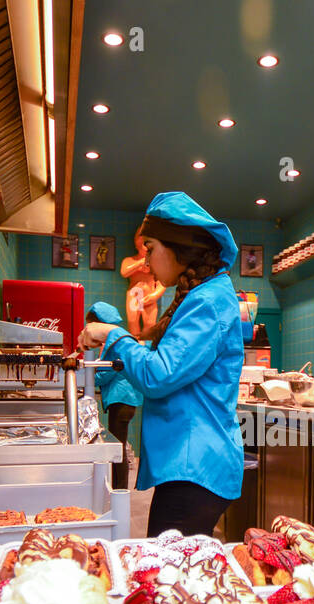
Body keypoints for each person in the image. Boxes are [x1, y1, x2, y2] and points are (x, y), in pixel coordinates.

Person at [78, 192, 243, 537]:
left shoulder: (207, 302)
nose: (147, 261)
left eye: (150, 248)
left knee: (167, 580)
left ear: (177, 246)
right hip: (187, 465)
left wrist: (113, 334)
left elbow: (159, 374)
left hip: (195, 467)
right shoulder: (199, 297)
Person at [85, 301, 142, 491]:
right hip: (124, 400)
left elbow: (108, 372)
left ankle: (119, 491)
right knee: (119, 446)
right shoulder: (115, 341)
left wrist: (88, 375)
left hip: (121, 400)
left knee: (117, 450)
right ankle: (118, 488)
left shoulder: (114, 344)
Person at [120, 225, 166, 337]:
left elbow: (162, 283)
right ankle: (134, 343)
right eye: (142, 244)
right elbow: (124, 272)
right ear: (136, 244)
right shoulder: (130, 260)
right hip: (134, 295)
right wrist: (139, 263)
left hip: (149, 296)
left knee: (150, 323)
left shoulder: (156, 263)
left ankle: (147, 346)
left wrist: (155, 295)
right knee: (132, 321)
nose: (145, 248)